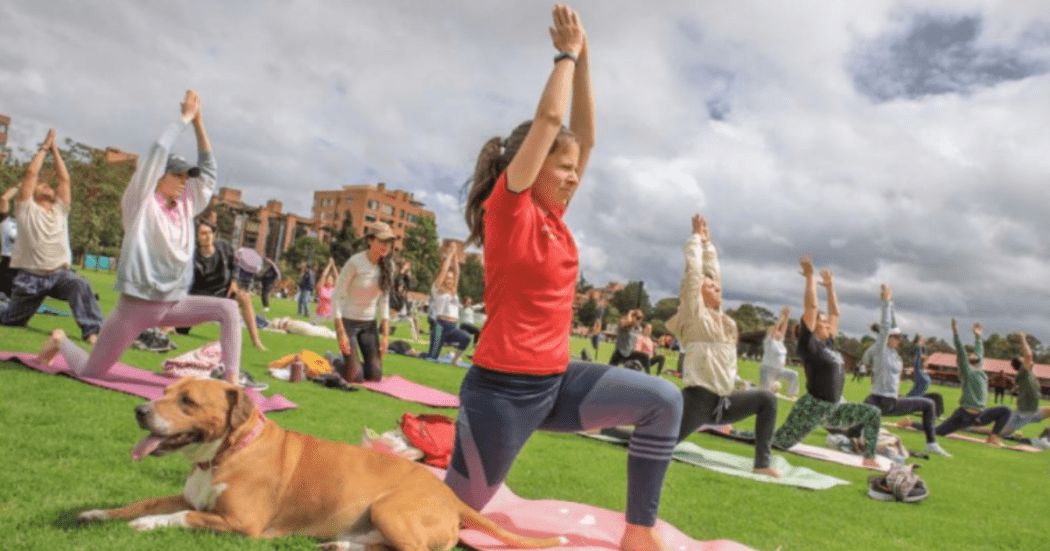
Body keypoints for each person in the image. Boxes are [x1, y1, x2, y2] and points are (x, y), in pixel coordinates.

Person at [451, 8, 682, 550]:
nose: (576, 174)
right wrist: (564, 56)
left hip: (557, 384)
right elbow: (551, 124)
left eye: (577, 167)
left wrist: (587, 56)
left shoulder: (555, 222)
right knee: (452, 520)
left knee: (664, 401)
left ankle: (638, 533)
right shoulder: (508, 212)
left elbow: (584, 133)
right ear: (530, 167)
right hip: (502, 394)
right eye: (563, 167)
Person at [36, 90, 242, 384]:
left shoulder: (186, 207)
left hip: (172, 306)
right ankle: (60, 340)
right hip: (134, 309)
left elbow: (209, 170)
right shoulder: (140, 203)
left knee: (229, 308)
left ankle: (231, 383)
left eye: (187, 178)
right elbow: (158, 150)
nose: (185, 183)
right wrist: (183, 119)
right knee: (89, 373)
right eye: (179, 176)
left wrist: (199, 123)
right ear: (160, 176)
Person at [666, 214, 780, 476]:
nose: (717, 288)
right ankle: (603, 427)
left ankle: (762, 464)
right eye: (710, 287)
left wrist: (709, 245)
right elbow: (696, 273)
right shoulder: (694, 314)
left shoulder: (722, 320)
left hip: (724, 403)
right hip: (697, 402)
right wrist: (695, 239)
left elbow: (711, 273)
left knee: (767, 399)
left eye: (718, 287)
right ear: (696, 292)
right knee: (652, 442)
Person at [771, 257, 882, 469]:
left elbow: (835, 313)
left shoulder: (829, 345)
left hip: (834, 408)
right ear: (811, 327)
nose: (826, 324)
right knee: (777, 443)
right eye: (821, 322)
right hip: (812, 408)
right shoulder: (809, 345)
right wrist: (810, 277)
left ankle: (869, 457)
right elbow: (812, 306)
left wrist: (831, 287)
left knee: (872, 413)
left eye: (825, 322)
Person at [0, 129, 104, 342]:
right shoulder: (25, 209)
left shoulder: (60, 210)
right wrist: (45, 148)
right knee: (12, 320)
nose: (47, 185)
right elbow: (30, 174)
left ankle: (92, 333)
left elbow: (65, 180)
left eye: (49, 185)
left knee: (80, 284)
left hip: (59, 275)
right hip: (30, 278)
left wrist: (56, 151)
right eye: (42, 185)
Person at [862, 283, 950, 456]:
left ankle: (931, 444)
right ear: (887, 338)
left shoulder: (896, 355)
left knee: (929, 404)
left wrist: (891, 303)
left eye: (900, 337)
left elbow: (891, 325)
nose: (900, 340)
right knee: (852, 430)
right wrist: (887, 303)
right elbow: (887, 325)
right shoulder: (880, 350)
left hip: (892, 402)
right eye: (897, 337)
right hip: (876, 402)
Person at [902, 319, 1011, 445]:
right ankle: (910, 423)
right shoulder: (967, 370)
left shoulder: (979, 368)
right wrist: (955, 332)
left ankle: (992, 437)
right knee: (938, 431)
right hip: (964, 415)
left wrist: (978, 336)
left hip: (980, 415)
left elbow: (979, 350)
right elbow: (960, 350)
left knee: (1005, 410)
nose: (972, 354)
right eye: (969, 355)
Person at [175, 220, 265, 350]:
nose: (208, 236)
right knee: (179, 330)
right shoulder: (192, 256)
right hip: (199, 299)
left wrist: (234, 282)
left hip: (222, 294)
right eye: (203, 233)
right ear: (197, 237)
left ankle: (256, 341)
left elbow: (235, 267)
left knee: (244, 297)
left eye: (210, 232)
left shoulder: (224, 247)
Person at [331, 223, 396, 382]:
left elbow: (384, 301)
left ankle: (354, 363)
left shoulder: (389, 266)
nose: (386, 246)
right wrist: (340, 332)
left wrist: (386, 336)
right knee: (355, 377)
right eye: (382, 241)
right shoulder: (355, 262)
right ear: (370, 240)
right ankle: (335, 360)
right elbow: (336, 297)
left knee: (374, 376)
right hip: (349, 322)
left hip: (369, 325)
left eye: (389, 242)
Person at [420, 246, 471, 365]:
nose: (450, 280)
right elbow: (444, 270)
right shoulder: (437, 290)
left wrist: (455, 256)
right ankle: (412, 352)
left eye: (451, 279)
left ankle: (455, 360)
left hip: (453, 327)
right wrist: (449, 256)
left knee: (466, 337)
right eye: (448, 278)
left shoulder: (454, 292)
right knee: (432, 357)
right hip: (440, 326)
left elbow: (457, 273)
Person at [1000, 332, 1050, 436]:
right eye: (1025, 360)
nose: (1029, 360)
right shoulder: (1023, 372)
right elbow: (1028, 355)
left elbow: (1029, 358)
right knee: (1000, 432)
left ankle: (1047, 434)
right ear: (1023, 365)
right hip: (1023, 414)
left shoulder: (1029, 373)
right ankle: (970, 428)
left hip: (1034, 411)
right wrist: (1022, 339)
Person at [758, 305, 799, 398]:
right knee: (765, 393)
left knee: (794, 375)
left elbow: (784, 326)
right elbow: (777, 326)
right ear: (772, 333)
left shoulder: (780, 342)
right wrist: (782, 315)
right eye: (777, 331)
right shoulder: (769, 341)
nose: (780, 332)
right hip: (767, 370)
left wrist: (787, 315)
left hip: (779, 370)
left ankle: (791, 394)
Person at [905, 334, 944, 418]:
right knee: (934, 398)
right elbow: (918, 358)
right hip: (914, 397)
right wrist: (919, 345)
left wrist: (923, 345)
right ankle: (933, 414)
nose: (928, 363)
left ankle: (937, 415)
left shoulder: (924, 373)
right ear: (922, 363)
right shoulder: (918, 371)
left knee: (937, 396)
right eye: (926, 362)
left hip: (921, 396)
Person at [391, 259, 419, 340]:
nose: (409, 267)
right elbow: (397, 283)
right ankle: (416, 336)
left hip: (403, 303)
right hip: (397, 306)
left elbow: (412, 286)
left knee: (415, 318)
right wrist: (403, 271)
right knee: (411, 319)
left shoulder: (405, 277)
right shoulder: (397, 276)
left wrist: (408, 275)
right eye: (407, 265)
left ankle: (417, 336)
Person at [0, 186, 19, 297]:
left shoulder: (30, 223)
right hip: (8, 265)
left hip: (25, 267)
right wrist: (22, 185)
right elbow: (4, 198)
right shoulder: (6, 222)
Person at [312, 257, 337, 324]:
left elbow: (337, 277)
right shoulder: (321, 288)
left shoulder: (334, 290)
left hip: (329, 316)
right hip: (319, 314)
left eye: (331, 280)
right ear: (325, 281)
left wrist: (333, 266)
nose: (329, 281)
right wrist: (329, 265)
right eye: (328, 279)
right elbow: (323, 275)